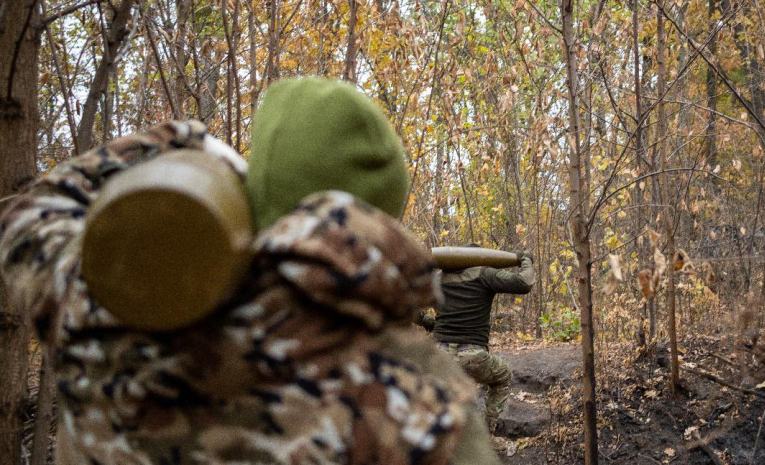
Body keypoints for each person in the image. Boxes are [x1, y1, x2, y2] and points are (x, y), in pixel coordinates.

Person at [0, 78, 499, 464]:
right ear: (378, 221)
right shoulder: (414, 400)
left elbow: (29, 216)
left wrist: (179, 140)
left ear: (253, 194)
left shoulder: (94, 316)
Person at [432, 246, 535, 433]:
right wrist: (525, 259)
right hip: (473, 356)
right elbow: (524, 282)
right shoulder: (484, 274)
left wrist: (429, 322)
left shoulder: (438, 278)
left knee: (439, 394)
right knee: (502, 377)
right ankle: (488, 434)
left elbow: (412, 309)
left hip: (439, 355)